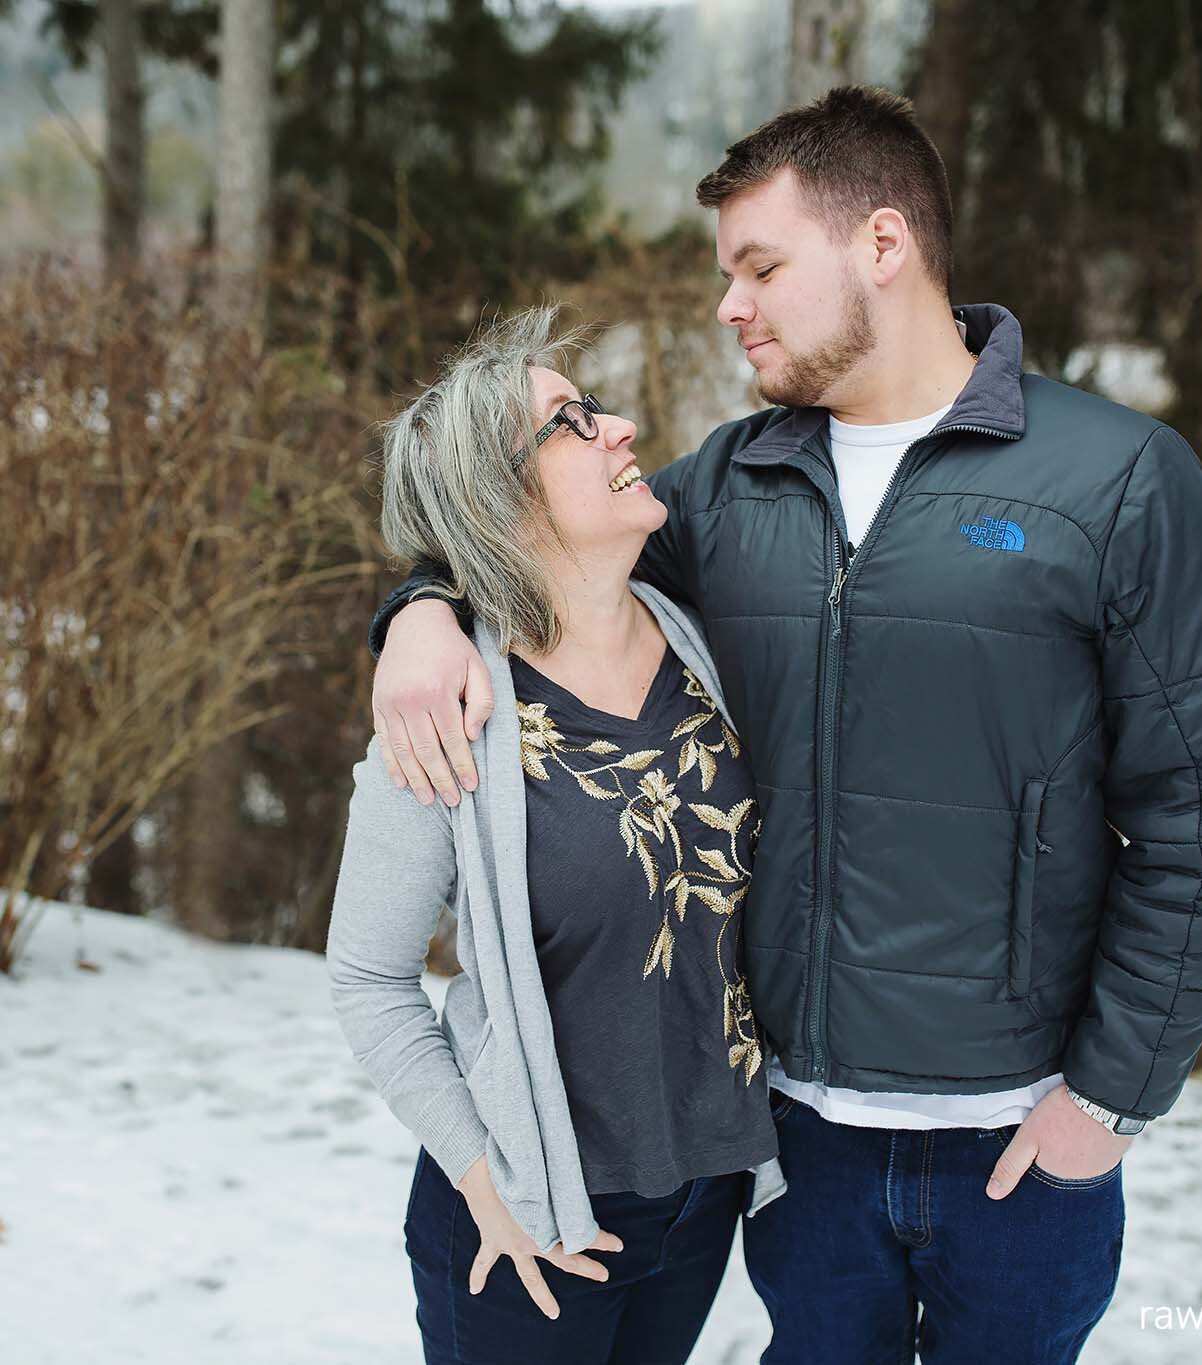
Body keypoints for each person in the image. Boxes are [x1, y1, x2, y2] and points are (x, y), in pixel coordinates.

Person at [365, 86, 1202, 1364]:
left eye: (760, 266)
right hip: (798, 1149)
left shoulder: (1113, 480)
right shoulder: (732, 487)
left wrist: (1108, 1101)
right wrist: (413, 610)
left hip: (1016, 1144)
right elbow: (518, 539)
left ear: (882, 246)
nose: (729, 304)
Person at [325, 304, 789, 1365]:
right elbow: (367, 979)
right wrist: (485, 1184)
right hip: (526, 1228)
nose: (618, 426)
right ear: (499, 497)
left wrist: (412, 604)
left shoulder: (698, 641)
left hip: (702, 1197)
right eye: (570, 423)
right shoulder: (447, 715)